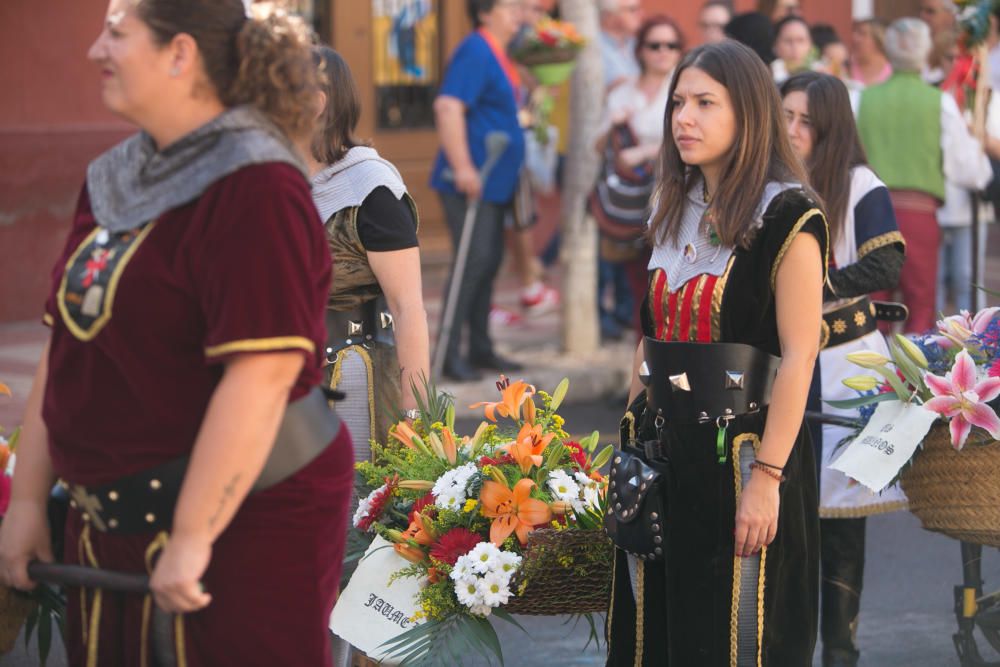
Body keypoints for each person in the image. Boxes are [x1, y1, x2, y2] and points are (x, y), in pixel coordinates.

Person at [0, 2, 354, 665]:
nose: (95, 50)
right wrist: (26, 501)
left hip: (245, 526)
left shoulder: (257, 187)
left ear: (180, 54)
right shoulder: (112, 178)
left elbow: (264, 373)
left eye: (116, 32)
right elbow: (67, 340)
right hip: (106, 531)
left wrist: (192, 535)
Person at [606, 40, 824, 665]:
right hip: (663, 453)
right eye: (678, 102)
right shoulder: (672, 205)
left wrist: (769, 479)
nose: (683, 119)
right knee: (659, 634)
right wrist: (624, 444)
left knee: (734, 639)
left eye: (705, 103)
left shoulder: (788, 215)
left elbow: (801, 355)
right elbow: (650, 343)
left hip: (744, 455)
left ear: (749, 114)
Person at [302, 46, 430, 667]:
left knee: (357, 541)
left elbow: (408, 309)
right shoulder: (269, 181)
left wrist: (419, 424)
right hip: (281, 382)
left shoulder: (368, 188)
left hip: (352, 384)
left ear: (323, 101)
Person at [782, 71, 907, 667]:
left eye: (806, 120)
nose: (793, 130)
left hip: (847, 368)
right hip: (783, 366)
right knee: (784, 519)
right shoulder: (769, 186)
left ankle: (840, 650)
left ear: (830, 127)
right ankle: (789, 648)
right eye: (785, 116)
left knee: (841, 521)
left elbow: (888, 260)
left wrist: (821, 284)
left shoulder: (858, 183)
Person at [856, 18, 987, 333]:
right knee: (920, 307)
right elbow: (971, 172)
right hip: (918, 215)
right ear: (926, 51)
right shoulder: (938, 102)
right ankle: (913, 381)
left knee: (873, 306)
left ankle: (871, 379)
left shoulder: (862, 98)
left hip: (871, 213)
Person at [431, 0, 526, 382]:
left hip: (496, 183)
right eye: (510, 7)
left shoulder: (499, 53)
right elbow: (448, 107)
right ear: (485, 12)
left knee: (488, 263)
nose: (518, 14)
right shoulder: (475, 48)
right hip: (471, 181)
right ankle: (449, 354)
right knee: (473, 263)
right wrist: (464, 166)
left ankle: (481, 347)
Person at [596, 14, 684, 337]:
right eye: (655, 45)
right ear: (641, 50)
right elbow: (598, 144)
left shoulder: (685, 89)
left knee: (664, 282)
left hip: (671, 195)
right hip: (630, 201)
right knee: (637, 282)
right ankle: (642, 359)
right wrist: (615, 125)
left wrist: (646, 152)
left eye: (671, 45)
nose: (663, 52)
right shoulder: (623, 90)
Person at [933, 32, 994, 313]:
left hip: (970, 201)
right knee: (936, 279)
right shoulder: (931, 93)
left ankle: (977, 343)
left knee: (967, 278)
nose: (959, 64)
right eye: (951, 57)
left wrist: (978, 133)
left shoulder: (987, 97)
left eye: (965, 58)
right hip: (935, 197)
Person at [599, 0, 644, 92]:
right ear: (609, 14)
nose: (641, 14)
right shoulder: (593, 47)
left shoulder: (637, 44)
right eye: (632, 9)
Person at [772, 15, 815, 84]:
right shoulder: (767, 77)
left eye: (800, 40)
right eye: (788, 40)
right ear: (775, 46)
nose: (794, 47)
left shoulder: (822, 75)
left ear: (811, 45)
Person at [849, 19, 892, 88]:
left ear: (879, 40)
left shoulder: (893, 74)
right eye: (855, 33)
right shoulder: (844, 68)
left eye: (862, 34)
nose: (855, 38)